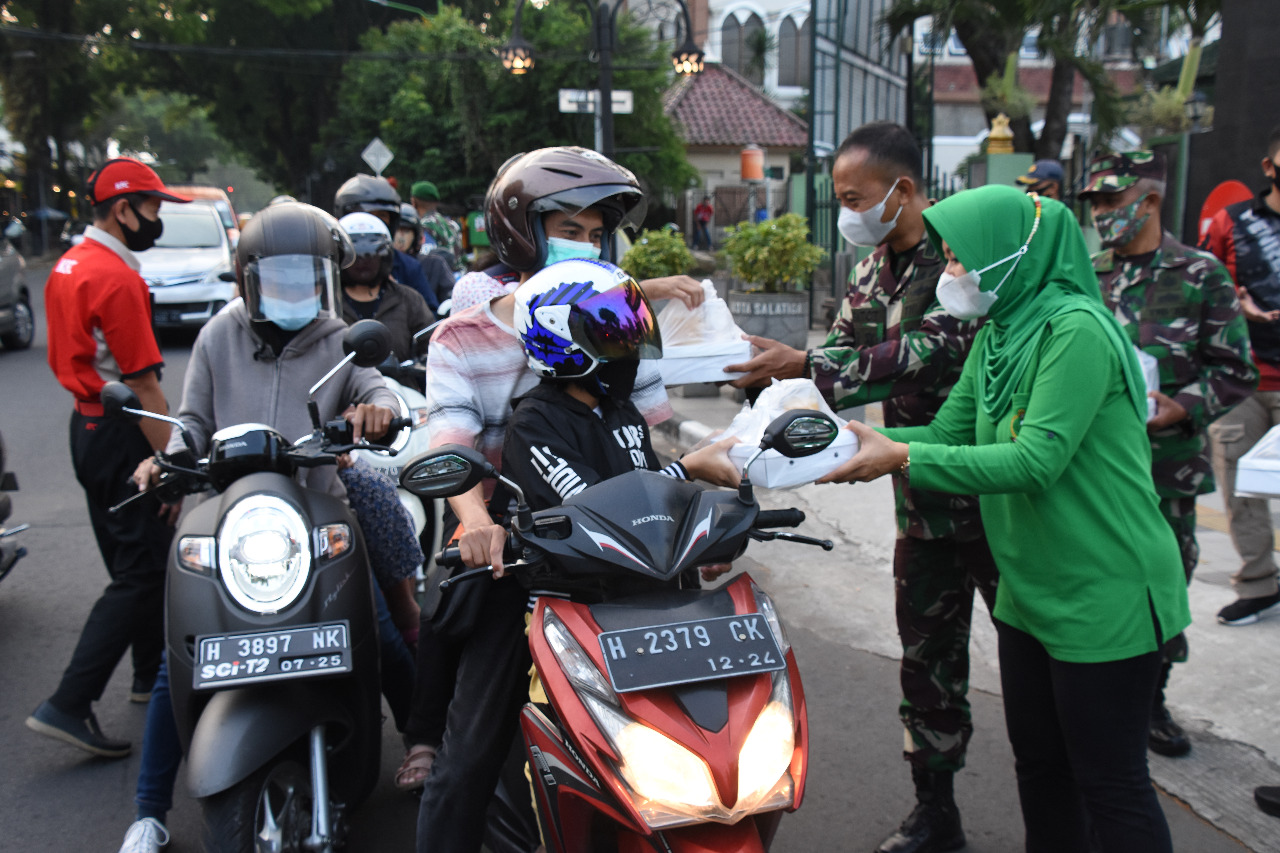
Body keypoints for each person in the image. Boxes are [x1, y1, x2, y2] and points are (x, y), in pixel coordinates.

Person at [828, 184, 1191, 852]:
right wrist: (847, 449)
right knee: (1042, 768)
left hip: (1104, 587)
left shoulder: (1075, 330)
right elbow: (951, 429)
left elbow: (1034, 461)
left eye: (963, 258)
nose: (953, 272)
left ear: (1011, 255)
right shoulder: (999, 331)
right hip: (1031, 589)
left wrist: (900, 455)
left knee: (1111, 782)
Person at [408, 147, 706, 853]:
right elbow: (449, 444)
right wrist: (477, 522)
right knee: (469, 752)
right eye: (570, 223)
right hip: (522, 557)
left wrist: (699, 511)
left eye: (598, 228)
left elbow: (648, 442)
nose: (589, 239)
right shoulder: (464, 335)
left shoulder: (615, 312)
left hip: (626, 552)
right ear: (521, 230)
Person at [726, 121, 995, 853]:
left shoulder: (967, 249)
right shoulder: (874, 268)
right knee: (927, 659)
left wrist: (808, 365)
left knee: (1038, 658)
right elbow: (845, 349)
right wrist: (767, 407)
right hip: (920, 495)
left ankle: (1068, 805)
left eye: (854, 196)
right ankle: (936, 810)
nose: (846, 210)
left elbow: (934, 346)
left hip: (999, 492)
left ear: (901, 190)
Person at [115, 201, 406, 853]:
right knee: (178, 661)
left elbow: (376, 386)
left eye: (309, 276)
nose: (296, 290)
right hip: (230, 525)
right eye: (281, 276)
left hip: (313, 515)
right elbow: (191, 420)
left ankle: (423, 744)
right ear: (248, 277)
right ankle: (149, 809)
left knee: (379, 630)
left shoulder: (339, 336)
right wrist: (163, 459)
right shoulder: (219, 335)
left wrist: (379, 412)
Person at [1084, 150, 1257, 759]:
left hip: (1168, 467)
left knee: (1162, 587)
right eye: (1096, 205)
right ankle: (1104, 696)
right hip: (1098, 469)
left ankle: (1151, 699)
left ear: (1149, 201)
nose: (1102, 214)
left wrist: (1184, 404)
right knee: (1103, 582)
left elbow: (1236, 370)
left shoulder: (1200, 274)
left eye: (1111, 202)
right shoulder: (1088, 273)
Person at [27, 158, 191, 759]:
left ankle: (150, 675)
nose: (157, 220)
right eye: (151, 208)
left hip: (86, 427)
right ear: (122, 209)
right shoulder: (116, 278)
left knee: (135, 557)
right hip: (121, 431)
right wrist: (172, 461)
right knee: (142, 570)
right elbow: (146, 385)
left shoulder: (71, 263)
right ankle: (70, 701)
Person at [1202, 125, 1280, 626]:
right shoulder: (1231, 222)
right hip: (1244, 378)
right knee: (1239, 482)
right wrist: (1238, 301)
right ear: (1270, 167)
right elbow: (1203, 278)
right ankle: (1259, 582)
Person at [338, 211, 434, 360]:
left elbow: (431, 347)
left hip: (399, 382)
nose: (364, 262)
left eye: (371, 255)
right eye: (356, 256)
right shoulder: (328, 304)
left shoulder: (409, 300)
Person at [335, 174, 438, 313]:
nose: (373, 223)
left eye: (382, 216)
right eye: (367, 215)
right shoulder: (330, 266)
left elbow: (429, 321)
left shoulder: (407, 267)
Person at [396, 202, 456, 309]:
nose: (400, 237)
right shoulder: (379, 268)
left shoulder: (434, 264)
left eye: (406, 231)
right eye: (396, 230)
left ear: (416, 235)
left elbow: (450, 301)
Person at [411, 179, 464, 270]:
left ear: (413, 202)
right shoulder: (452, 224)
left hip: (442, 279)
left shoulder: (425, 226)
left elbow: (425, 260)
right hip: (460, 277)